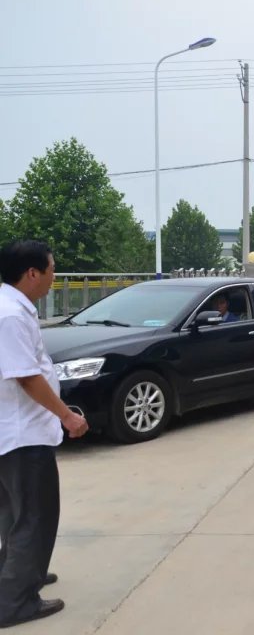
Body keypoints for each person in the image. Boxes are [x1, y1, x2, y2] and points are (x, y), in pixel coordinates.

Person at [0, 240, 88, 628]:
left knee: (15, 513)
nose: (55, 277)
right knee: (35, 516)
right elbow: (26, 376)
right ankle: (16, 602)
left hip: (13, 432)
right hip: (23, 435)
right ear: (32, 273)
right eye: (52, 270)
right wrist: (66, 416)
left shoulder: (12, 307)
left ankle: (20, 574)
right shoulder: (11, 315)